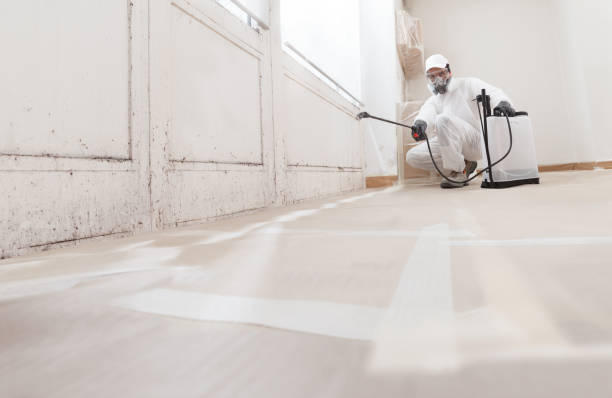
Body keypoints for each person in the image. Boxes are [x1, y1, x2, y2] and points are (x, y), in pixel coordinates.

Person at [406, 54, 516, 188]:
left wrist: (504, 103)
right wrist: (420, 124)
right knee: (413, 156)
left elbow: (494, 92)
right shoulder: (434, 100)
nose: (437, 79)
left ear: (449, 71)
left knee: (443, 119)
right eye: (432, 76)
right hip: (451, 144)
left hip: (475, 141)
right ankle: (464, 166)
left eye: (440, 73)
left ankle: (458, 172)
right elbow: (426, 113)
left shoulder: (467, 84)